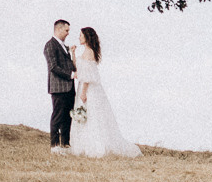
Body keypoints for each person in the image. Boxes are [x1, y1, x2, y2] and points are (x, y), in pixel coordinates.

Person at [68, 24, 141, 158]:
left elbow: (87, 76)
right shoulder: (86, 51)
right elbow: (78, 68)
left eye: (80, 35)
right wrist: (73, 53)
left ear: (86, 37)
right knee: (86, 116)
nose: (78, 37)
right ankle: (84, 145)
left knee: (91, 116)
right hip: (83, 87)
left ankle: (95, 146)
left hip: (88, 89)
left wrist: (83, 92)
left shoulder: (89, 52)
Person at [43, 20, 76, 152]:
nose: (68, 33)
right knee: (57, 116)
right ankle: (55, 145)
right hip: (58, 88)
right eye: (66, 30)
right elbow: (53, 67)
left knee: (68, 116)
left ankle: (65, 144)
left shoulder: (63, 46)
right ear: (58, 29)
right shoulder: (50, 45)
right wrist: (71, 75)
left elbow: (69, 65)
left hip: (69, 88)